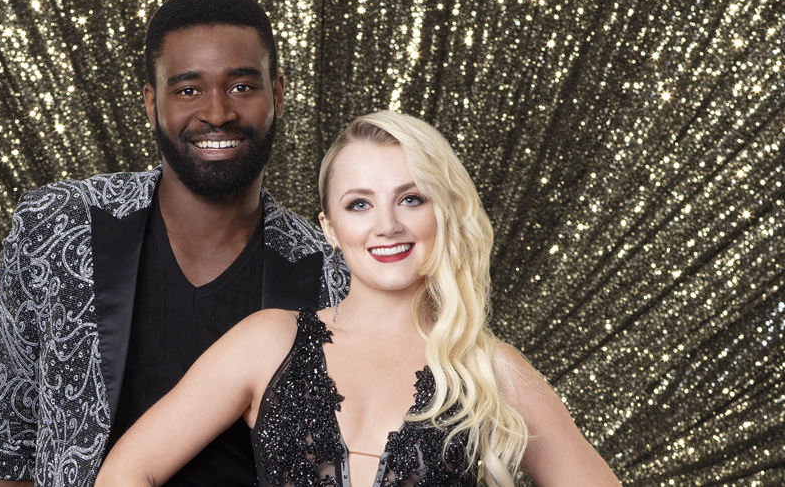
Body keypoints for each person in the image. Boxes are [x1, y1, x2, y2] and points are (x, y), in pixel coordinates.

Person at [95, 111, 623, 487]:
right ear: (330, 227)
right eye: (359, 204)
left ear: (443, 212)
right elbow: (126, 473)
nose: (387, 225)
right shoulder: (267, 343)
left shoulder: (489, 371)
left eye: (410, 199)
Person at [0, 0, 348, 486]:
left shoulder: (332, 272)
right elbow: (2, 442)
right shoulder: (57, 224)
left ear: (277, 95)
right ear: (152, 103)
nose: (217, 112)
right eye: (188, 90)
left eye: (241, 86)